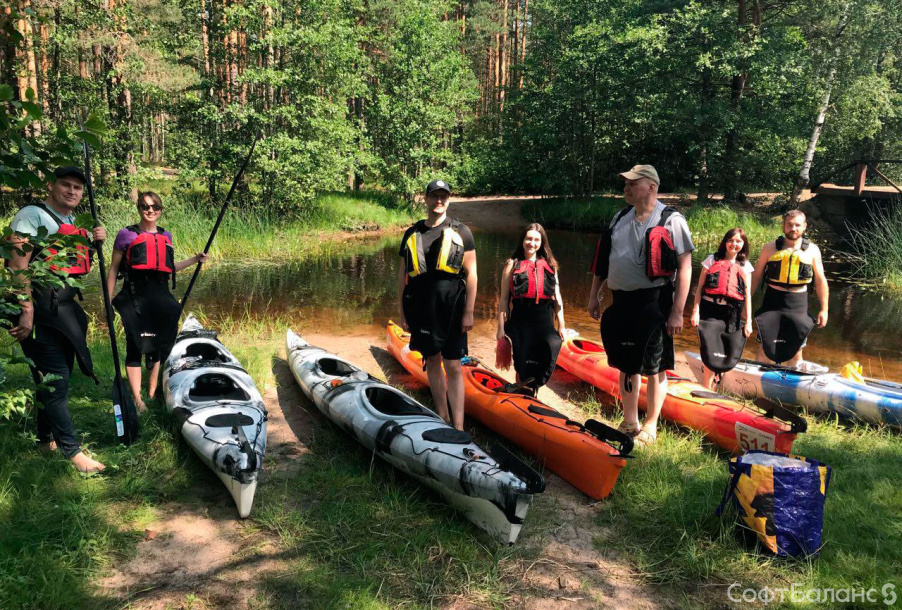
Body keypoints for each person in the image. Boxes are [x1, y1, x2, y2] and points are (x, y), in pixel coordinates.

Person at [6, 166, 107, 473]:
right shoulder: (31, 217)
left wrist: (94, 241)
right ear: (51, 186)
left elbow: (73, 262)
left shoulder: (73, 222)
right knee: (56, 379)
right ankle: (72, 451)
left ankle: (44, 438)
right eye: (66, 184)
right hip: (38, 308)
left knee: (48, 378)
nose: (72, 191)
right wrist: (26, 308)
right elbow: (17, 264)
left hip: (63, 309)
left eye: (78, 187)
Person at [587, 165, 694, 446]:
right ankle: (629, 420)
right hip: (621, 301)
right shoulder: (619, 217)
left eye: (633, 183)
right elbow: (603, 261)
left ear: (651, 187)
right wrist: (593, 294)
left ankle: (651, 424)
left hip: (654, 302)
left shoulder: (671, 220)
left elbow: (685, 269)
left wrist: (677, 312)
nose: (626, 187)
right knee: (626, 362)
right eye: (625, 182)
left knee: (656, 366)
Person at [106, 192, 207, 411]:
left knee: (158, 346)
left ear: (160, 210)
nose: (150, 210)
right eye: (145, 206)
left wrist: (194, 260)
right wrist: (106, 300)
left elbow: (168, 268)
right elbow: (114, 269)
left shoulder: (166, 236)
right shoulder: (126, 234)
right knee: (135, 344)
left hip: (160, 296)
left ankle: (151, 393)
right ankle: (137, 398)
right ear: (139, 208)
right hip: (135, 296)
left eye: (155, 207)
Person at [397, 180, 477, 430]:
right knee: (432, 360)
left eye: (443, 196)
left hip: (451, 307)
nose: (438, 201)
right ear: (426, 199)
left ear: (449, 200)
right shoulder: (412, 233)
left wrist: (469, 312)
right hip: (422, 306)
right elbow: (402, 277)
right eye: (434, 196)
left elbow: (472, 272)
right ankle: (442, 417)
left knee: (453, 364)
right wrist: (402, 311)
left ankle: (459, 426)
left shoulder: (461, 231)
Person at [749, 210, 829, 366]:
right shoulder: (770, 248)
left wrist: (824, 309)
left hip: (798, 305)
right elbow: (756, 276)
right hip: (772, 303)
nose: (793, 228)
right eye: (790, 225)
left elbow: (820, 281)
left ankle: (790, 386)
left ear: (804, 227)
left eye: (797, 225)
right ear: (783, 226)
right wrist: (746, 303)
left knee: (796, 350)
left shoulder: (812, 250)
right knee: (765, 347)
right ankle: (757, 382)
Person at [496, 223, 566, 396]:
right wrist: (500, 329)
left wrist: (562, 325)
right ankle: (521, 394)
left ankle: (532, 394)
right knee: (523, 363)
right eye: (528, 238)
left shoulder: (551, 265)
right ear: (522, 240)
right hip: (521, 322)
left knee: (542, 361)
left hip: (544, 322)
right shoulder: (512, 265)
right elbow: (504, 299)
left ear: (542, 243)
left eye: (536, 240)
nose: (532, 243)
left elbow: (557, 299)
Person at [689, 228, 754, 388]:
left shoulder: (745, 266)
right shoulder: (712, 259)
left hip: (731, 313)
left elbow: (747, 295)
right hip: (710, 309)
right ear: (725, 242)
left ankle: (718, 383)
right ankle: (706, 387)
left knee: (725, 348)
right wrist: (695, 311)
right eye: (731, 240)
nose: (734, 244)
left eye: (738, 241)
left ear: (743, 244)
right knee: (710, 346)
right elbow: (699, 288)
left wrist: (749, 322)